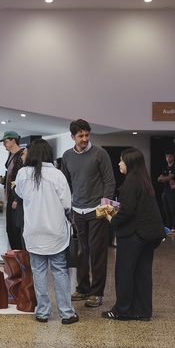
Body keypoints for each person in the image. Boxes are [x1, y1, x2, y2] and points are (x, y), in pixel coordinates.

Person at [15, 139, 79, 324]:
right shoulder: (57, 175)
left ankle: (42, 312)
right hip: (56, 231)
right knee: (59, 271)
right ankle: (66, 313)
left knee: (38, 271)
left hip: (34, 231)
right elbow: (67, 203)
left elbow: (20, 194)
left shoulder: (23, 174)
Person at [103, 148, 166, 321]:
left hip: (135, 234)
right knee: (142, 273)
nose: (119, 163)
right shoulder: (143, 179)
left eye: (121, 160)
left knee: (125, 271)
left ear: (129, 162)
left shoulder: (131, 181)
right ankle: (142, 311)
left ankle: (122, 310)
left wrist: (111, 218)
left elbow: (128, 211)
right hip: (150, 234)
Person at [61, 119, 116, 308]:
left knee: (97, 252)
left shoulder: (100, 153)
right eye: (80, 136)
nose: (84, 139)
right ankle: (83, 288)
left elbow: (109, 182)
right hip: (77, 210)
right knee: (81, 253)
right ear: (72, 137)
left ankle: (97, 292)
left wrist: (105, 206)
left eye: (87, 135)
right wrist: (66, 207)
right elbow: (65, 184)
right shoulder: (67, 156)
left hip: (96, 210)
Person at [0, 131, 25, 250]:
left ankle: (22, 262)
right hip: (9, 199)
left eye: (6, 141)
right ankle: (15, 261)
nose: (4, 144)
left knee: (16, 231)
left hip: (16, 200)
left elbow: (22, 178)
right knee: (10, 230)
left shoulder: (22, 155)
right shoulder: (11, 156)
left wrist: (17, 198)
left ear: (13, 140)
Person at [157, 150, 175, 234]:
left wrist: (167, 178)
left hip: (173, 190)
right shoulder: (164, 168)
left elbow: (167, 178)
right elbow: (159, 179)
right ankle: (168, 226)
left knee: (172, 209)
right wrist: (166, 178)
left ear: (173, 157)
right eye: (167, 156)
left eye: (170, 156)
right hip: (165, 190)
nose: (168, 158)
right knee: (166, 209)